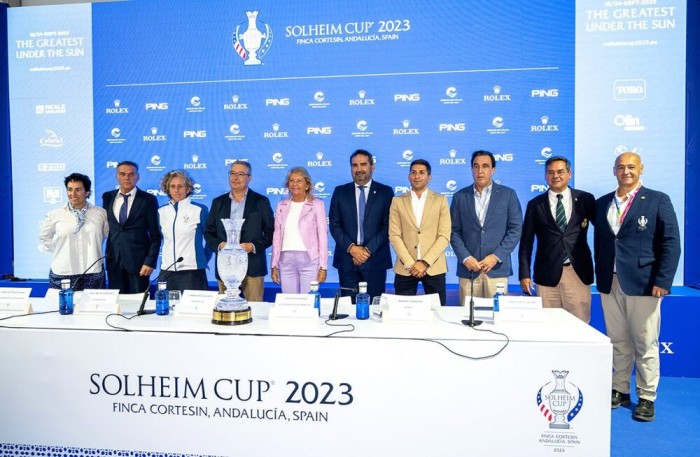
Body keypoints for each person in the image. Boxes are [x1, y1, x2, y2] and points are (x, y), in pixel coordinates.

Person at [593, 151, 680, 422]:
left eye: (631, 167)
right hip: (610, 281)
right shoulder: (602, 203)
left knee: (645, 342)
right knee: (618, 341)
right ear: (614, 171)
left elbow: (671, 243)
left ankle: (646, 396)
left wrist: (662, 281)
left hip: (644, 283)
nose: (626, 171)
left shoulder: (657, 200)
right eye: (621, 167)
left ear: (641, 169)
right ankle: (619, 389)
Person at [519, 156, 595, 322]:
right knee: (549, 329)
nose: (556, 176)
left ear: (569, 174)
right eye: (550, 172)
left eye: (560, 172)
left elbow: (604, 231)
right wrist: (524, 274)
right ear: (546, 176)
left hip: (577, 273)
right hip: (546, 276)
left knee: (579, 327)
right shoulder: (535, 204)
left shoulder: (585, 200)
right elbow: (526, 242)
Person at [450, 150, 522, 306]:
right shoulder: (459, 196)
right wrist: (466, 258)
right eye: (476, 166)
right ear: (471, 170)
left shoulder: (508, 195)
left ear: (493, 170)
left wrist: (495, 257)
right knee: (467, 317)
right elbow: (453, 232)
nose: (480, 171)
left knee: (496, 318)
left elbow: (515, 230)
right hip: (468, 270)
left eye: (485, 166)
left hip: (497, 270)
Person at [329, 149, 394, 301]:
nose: (359, 169)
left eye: (363, 164)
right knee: (348, 309)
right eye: (355, 165)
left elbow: (388, 226)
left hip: (375, 260)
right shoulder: (340, 192)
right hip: (347, 261)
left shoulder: (385, 192)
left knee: (374, 308)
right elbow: (334, 225)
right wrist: (352, 248)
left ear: (373, 167)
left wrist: (367, 251)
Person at [205, 160, 274, 302]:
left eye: (241, 174)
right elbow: (208, 232)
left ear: (249, 178)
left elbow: (271, 232)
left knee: (255, 310)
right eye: (232, 173)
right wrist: (220, 245)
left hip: (252, 266)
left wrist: (252, 246)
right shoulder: (218, 202)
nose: (235, 178)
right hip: (226, 266)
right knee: (225, 310)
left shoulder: (261, 201)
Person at [389, 159, 451, 305]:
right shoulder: (397, 201)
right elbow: (394, 235)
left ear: (429, 177)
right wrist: (411, 264)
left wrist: (424, 262)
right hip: (405, 268)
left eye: (422, 172)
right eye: (413, 172)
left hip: (434, 267)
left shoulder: (441, 200)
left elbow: (444, 236)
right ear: (409, 176)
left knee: (437, 314)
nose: (417, 176)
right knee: (403, 313)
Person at [39, 173, 108, 290]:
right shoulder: (55, 215)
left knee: (92, 308)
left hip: (93, 271)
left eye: (78, 190)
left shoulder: (100, 213)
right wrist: (61, 250)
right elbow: (45, 237)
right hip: (63, 272)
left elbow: (108, 235)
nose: (73, 194)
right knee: (63, 307)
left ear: (87, 192)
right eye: (70, 189)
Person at [102, 161, 161, 294]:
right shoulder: (107, 197)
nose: (126, 178)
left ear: (137, 177)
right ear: (117, 176)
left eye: (131, 174)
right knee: (116, 305)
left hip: (139, 264)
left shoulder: (148, 199)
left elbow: (155, 235)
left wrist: (150, 262)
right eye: (122, 174)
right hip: (114, 261)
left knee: (138, 305)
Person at [270, 167, 328, 294]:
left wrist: (323, 266)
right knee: (289, 302)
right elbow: (277, 236)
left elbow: (322, 236)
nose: (295, 184)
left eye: (299, 181)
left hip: (309, 259)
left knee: (308, 302)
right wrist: (274, 265)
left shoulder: (317, 205)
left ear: (307, 185)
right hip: (285, 260)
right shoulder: (281, 206)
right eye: (292, 181)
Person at [157, 170, 211, 292]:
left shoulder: (199, 210)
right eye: (172, 186)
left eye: (180, 186)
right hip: (167, 271)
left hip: (192, 272)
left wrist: (202, 259)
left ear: (188, 188)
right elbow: (158, 239)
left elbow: (210, 239)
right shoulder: (161, 211)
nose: (176, 190)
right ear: (167, 189)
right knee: (167, 309)